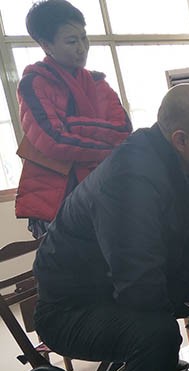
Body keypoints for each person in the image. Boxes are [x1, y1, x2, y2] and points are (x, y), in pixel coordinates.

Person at [33, 84, 189, 371]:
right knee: (156, 334)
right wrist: (181, 302)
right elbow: (138, 284)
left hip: (122, 287)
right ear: (181, 140)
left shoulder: (188, 166)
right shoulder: (131, 177)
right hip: (72, 308)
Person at [16, 0, 131, 238]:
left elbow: (123, 132)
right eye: (71, 41)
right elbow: (53, 141)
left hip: (103, 189)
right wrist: (107, 146)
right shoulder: (33, 84)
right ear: (46, 44)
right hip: (55, 200)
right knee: (69, 262)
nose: (82, 48)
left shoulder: (99, 83)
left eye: (84, 38)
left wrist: (71, 125)